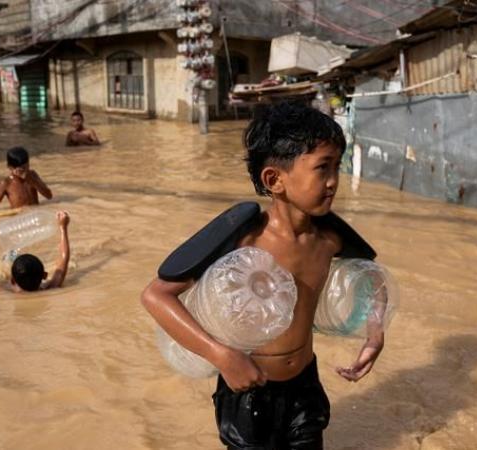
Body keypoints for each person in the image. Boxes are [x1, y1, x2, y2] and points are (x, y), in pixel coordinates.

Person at [141, 102, 384, 449]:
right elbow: (155, 295)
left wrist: (375, 335)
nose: (333, 182)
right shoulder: (243, 238)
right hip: (247, 390)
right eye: (322, 168)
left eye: (337, 167)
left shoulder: (330, 239)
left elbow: (374, 276)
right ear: (275, 179)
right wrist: (221, 356)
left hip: (304, 385)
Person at [0, 147, 53, 211]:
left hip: (34, 215)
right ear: (10, 168)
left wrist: (34, 182)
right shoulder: (6, 183)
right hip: (20, 217)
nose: (24, 171)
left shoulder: (32, 175)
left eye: (26, 167)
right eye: (21, 169)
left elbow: (49, 196)